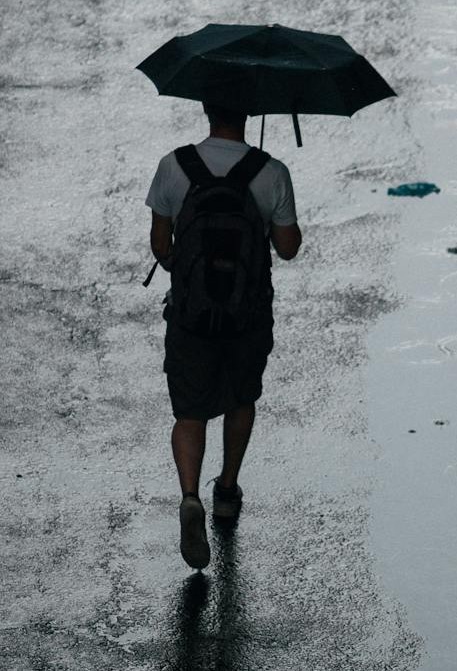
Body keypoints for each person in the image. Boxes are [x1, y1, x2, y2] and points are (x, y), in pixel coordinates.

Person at [145, 102, 302, 569]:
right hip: (247, 317)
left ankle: (189, 495)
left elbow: (160, 245)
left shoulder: (175, 165)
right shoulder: (271, 171)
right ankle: (227, 490)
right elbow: (289, 248)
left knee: (190, 411)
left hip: (191, 317)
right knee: (240, 399)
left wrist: (189, 272)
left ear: (206, 108)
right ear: (249, 114)